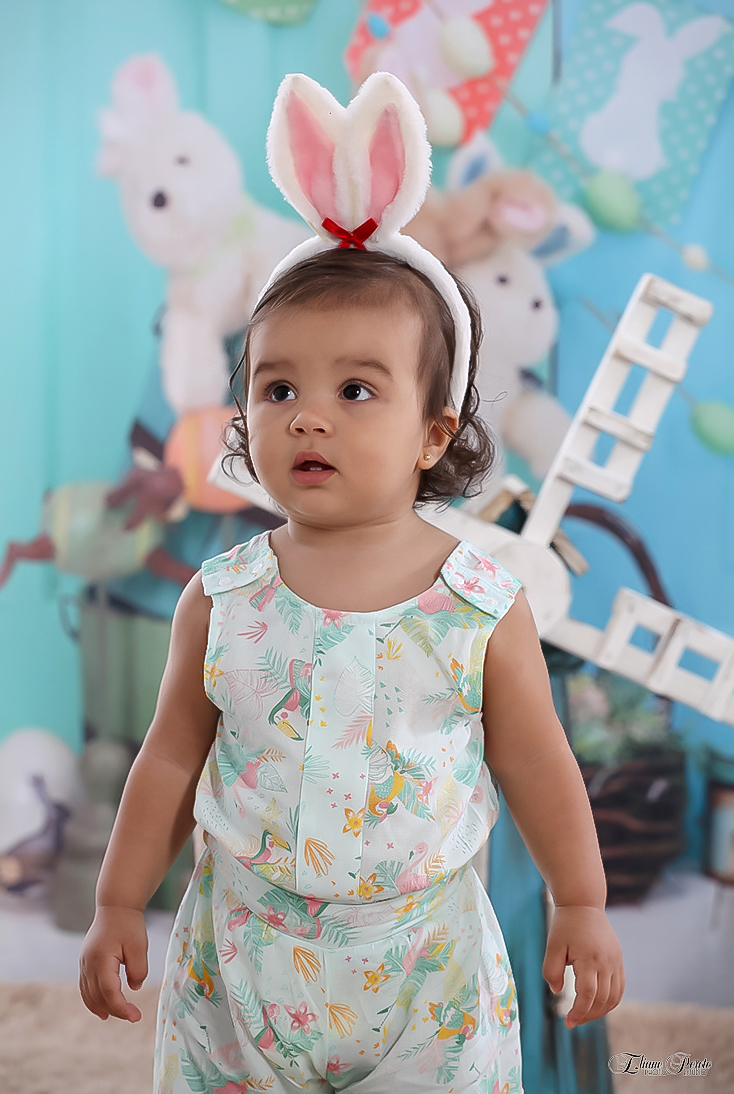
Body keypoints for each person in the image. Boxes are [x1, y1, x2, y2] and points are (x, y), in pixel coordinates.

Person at [78, 72, 625, 1093]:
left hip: (426, 969)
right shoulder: (223, 599)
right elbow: (168, 759)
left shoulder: (478, 605)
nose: (308, 414)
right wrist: (117, 900)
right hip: (242, 957)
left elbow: (536, 762)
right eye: (277, 385)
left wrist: (580, 900)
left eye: (356, 388)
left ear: (433, 433)